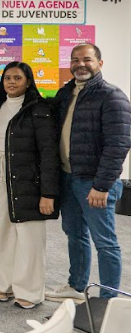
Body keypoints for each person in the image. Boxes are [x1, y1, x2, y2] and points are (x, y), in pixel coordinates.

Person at [47, 43, 131, 301]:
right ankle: (76, 286)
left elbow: (118, 145)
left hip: (94, 183)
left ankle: (109, 298)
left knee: (105, 242)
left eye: (87, 59)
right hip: (68, 176)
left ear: (100, 64)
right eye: (75, 60)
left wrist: (102, 185)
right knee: (75, 234)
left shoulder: (112, 96)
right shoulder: (67, 94)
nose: (80, 64)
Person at [0, 62, 59, 309]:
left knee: (29, 237)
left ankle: (31, 291)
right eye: (7, 78)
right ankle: (6, 285)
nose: (11, 82)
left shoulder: (38, 109)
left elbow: (48, 152)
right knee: (1, 233)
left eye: (17, 78)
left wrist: (48, 193)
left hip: (28, 179)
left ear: (28, 81)